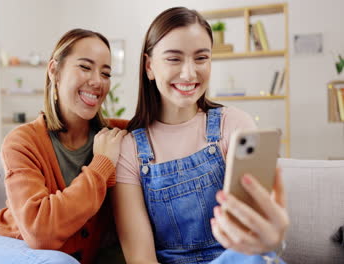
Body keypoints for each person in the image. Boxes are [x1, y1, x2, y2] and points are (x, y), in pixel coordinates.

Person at [113, 7, 289, 264]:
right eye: (174, 59)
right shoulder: (130, 149)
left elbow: (257, 238)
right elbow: (141, 259)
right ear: (149, 66)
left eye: (201, 58)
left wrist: (271, 239)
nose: (189, 73)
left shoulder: (236, 125)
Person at [0, 28, 127, 264]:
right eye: (85, 67)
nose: (97, 81)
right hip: (1, 247)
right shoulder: (22, 141)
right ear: (54, 71)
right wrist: (101, 167)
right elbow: (40, 233)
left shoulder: (116, 135)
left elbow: (164, 125)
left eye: (106, 73)